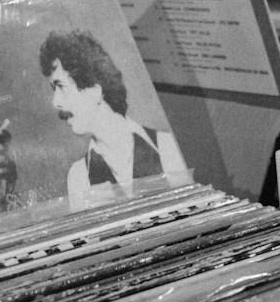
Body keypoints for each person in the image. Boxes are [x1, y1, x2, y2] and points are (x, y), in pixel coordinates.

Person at [39, 29, 186, 203]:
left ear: (95, 89)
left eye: (61, 86)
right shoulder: (79, 177)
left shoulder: (167, 147)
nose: (55, 102)